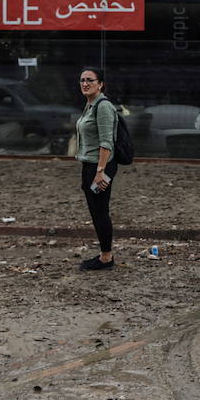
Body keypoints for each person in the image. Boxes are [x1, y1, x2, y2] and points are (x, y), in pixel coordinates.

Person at [76, 66, 120, 271]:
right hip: (90, 165)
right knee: (95, 211)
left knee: (101, 211)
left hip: (99, 166)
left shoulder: (103, 106)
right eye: (83, 80)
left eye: (90, 80)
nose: (85, 83)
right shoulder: (90, 104)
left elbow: (106, 142)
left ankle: (106, 258)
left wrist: (100, 171)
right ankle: (104, 254)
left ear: (100, 84)